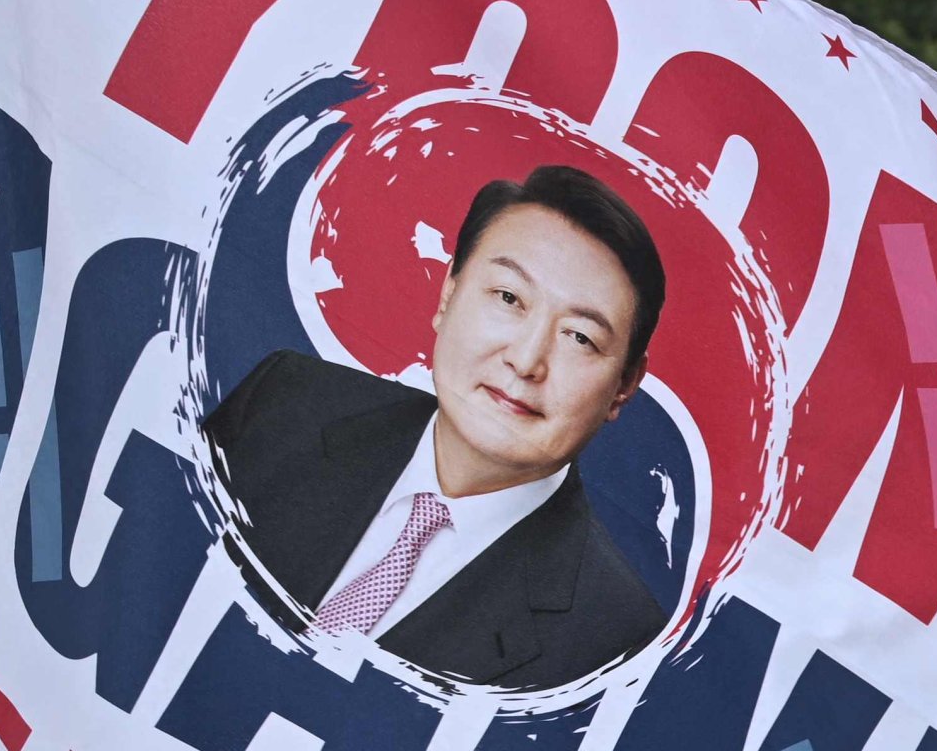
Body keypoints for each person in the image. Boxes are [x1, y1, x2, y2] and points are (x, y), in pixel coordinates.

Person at [205, 166, 673, 691]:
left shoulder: (615, 644)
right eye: (508, 298)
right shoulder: (284, 403)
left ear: (625, 385)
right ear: (448, 295)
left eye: (580, 337)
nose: (525, 361)